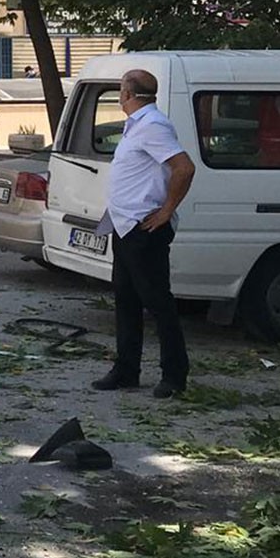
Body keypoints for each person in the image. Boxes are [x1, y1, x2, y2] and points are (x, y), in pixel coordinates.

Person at [93, 69, 197, 399]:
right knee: (126, 300)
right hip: (124, 226)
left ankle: (174, 374)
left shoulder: (153, 125)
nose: (119, 95)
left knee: (158, 302)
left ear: (128, 94)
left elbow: (184, 167)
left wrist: (166, 210)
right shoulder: (135, 125)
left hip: (145, 228)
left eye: (121, 89)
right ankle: (127, 369)